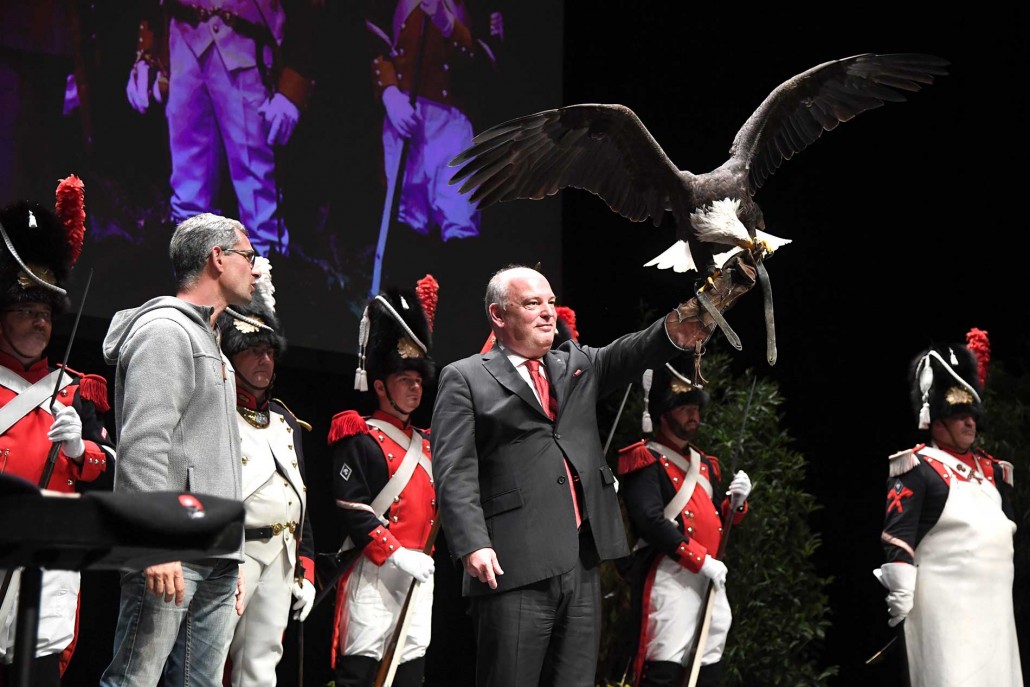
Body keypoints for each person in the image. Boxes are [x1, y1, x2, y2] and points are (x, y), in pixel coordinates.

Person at [431, 257, 757, 687]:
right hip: (513, 564)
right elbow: (453, 469)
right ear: (498, 315)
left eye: (550, 302)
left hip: (582, 562)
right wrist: (473, 543)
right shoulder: (466, 377)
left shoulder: (576, 365)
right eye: (532, 304)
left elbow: (639, 348)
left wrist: (701, 310)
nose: (548, 312)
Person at [99, 212, 259, 687]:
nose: (255, 268)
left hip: (215, 552)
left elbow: (215, 458)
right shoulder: (166, 331)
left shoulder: (210, 342)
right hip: (172, 546)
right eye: (248, 256)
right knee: (133, 680)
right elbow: (142, 445)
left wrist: (233, 549)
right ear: (217, 258)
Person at [0, 176, 115, 685]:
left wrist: (80, 449)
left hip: (48, 567)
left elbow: (111, 472)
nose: (38, 322)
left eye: (45, 313)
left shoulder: (76, 390)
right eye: (25, 311)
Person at [877, 330, 1022, 686]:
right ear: (936, 419)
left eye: (972, 413)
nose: (970, 422)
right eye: (958, 414)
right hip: (946, 616)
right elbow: (898, 536)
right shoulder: (918, 468)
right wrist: (900, 591)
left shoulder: (993, 471)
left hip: (996, 612)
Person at [125, 0, 320, 256]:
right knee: (187, 187)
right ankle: (192, 272)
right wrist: (147, 53)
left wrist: (294, 86)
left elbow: (309, 12)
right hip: (183, 42)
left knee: (257, 194)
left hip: (247, 46)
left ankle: (263, 273)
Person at [328, 275, 439, 687]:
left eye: (418, 380)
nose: (415, 388)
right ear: (379, 385)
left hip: (419, 571)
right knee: (361, 671)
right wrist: (395, 553)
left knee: (410, 672)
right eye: (404, 380)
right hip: (375, 569)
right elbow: (352, 506)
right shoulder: (358, 434)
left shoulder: (430, 443)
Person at [617, 359, 751, 687]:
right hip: (671, 573)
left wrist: (736, 503)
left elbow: (717, 520)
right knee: (664, 664)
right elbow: (650, 521)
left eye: (696, 408)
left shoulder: (705, 464)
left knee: (708, 664)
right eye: (684, 408)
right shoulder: (645, 458)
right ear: (664, 414)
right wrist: (700, 560)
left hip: (708, 573)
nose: (694, 415)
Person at [216, 257, 316, 686]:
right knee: (209, 661)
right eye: (252, 350)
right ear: (230, 355)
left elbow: (299, 497)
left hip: (281, 556)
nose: (264, 360)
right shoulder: (217, 412)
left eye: (269, 351)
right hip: (233, 553)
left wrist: (305, 567)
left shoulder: (285, 420)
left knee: (262, 666)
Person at [366, 0, 503, 242]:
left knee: (459, 218)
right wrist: (389, 91)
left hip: (453, 123)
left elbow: (488, 64)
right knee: (405, 220)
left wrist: (448, 25)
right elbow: (375, 38)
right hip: (404, 115)